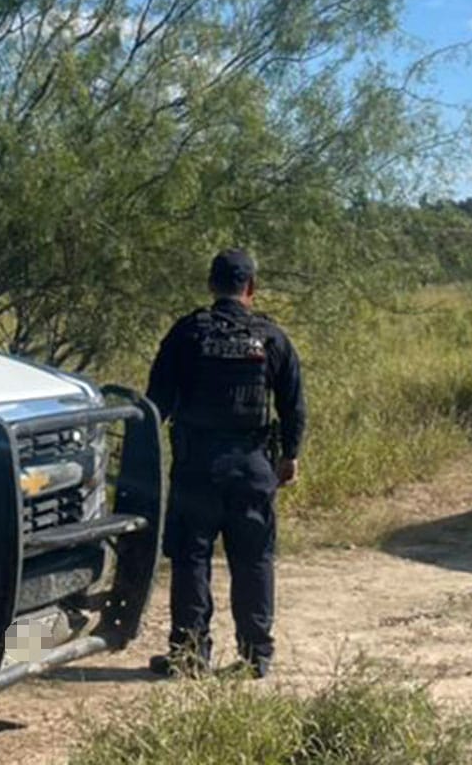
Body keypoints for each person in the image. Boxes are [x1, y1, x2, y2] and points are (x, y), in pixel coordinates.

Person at [145, 249, 306, 678]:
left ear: (211, 284)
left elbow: (156, 402)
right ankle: (256, 657)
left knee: (191, 557)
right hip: (253, 465)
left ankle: (189, 655)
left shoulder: (188, 333)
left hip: (198, 464)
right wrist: (289, 456)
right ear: (251, 287)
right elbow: (293, 405)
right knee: (254, 559)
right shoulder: (271, 336)